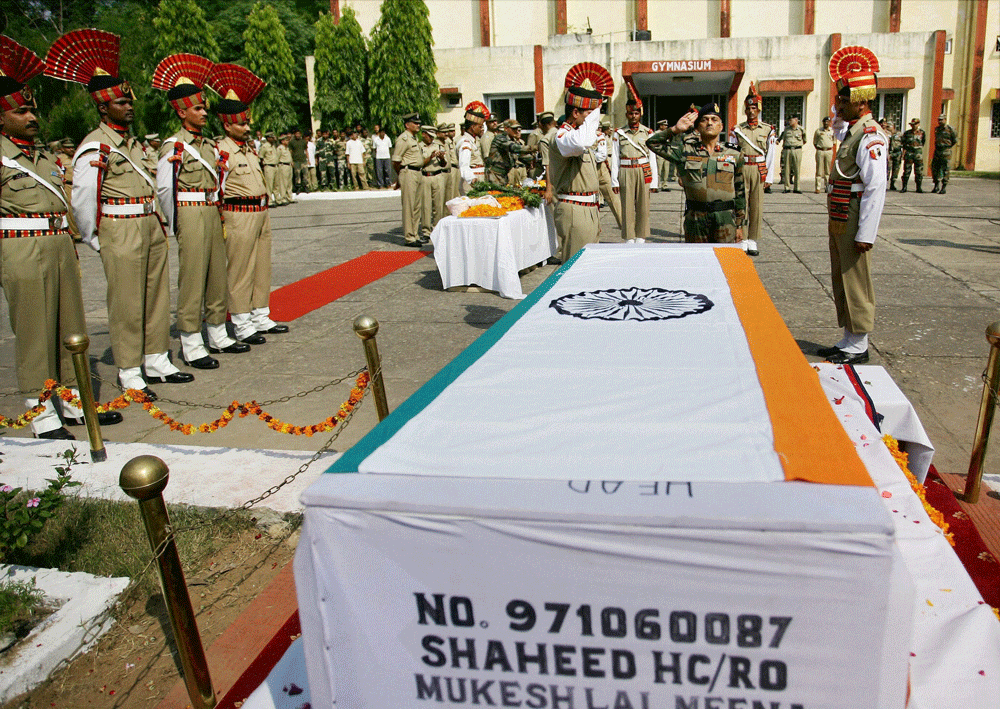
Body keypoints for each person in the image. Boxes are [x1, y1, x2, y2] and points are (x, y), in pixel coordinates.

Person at [47, 28, 192, 400]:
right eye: (120, 103)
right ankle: (130, 370)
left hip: (147, 223)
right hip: (119, 225)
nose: (129, 107)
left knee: (157, 295)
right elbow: (83, 196)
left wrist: (160, 223)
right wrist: (94, 235)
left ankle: (156, 357)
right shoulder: (95, 146)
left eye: (130, 102)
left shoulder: (135, 144)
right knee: (127, 301)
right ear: (102, 107)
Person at [0, 36, 123, 439]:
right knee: (36, 331)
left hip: (58, 245)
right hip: (21, 249)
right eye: (21, 111)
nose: (31, 116)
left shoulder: (41, 155)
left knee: (71, 326)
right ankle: (40, 412)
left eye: (32, 109)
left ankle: (72, 399)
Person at [153, 53, 250, 369]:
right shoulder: (174, 146)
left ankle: (218, 333)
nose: (204, 111)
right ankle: (192, 343)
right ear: (182, 112)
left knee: (216, 276)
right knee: (193, 278)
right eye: (197, 107)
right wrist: (176, 224)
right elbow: (166, 189)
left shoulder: (208, 145)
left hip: (211, 210)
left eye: (204, 106)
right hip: (190, 211)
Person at [208, 62, 289, 346]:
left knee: (261, 267)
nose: (247, 127)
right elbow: (216, 190)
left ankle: (260, 315)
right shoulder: (221, 151)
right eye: (241, 123)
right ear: (227, 124)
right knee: (241, 270)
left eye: (247, 122)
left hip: (261, 212)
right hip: (238, 214)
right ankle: (241, 323)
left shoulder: (249, 149)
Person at [817, 45, 888, 366]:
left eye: (843, 100)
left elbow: (875, 187)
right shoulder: (853, 130)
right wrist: (838, 112)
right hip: (842, 213)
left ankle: (860, 343)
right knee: (840, 275)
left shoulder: (870, 135)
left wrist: (867, 234)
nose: (838, 105)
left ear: (861, 102)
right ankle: (849, 336)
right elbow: (836, 129)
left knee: (855, 277)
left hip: (857, 213)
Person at [648, 102, 745, 244]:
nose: (709, 123)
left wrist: (740, 224)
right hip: (696, 219)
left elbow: (740, 190)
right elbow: (652, 143)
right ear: (698, 127)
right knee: (697, 263)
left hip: (725, 219)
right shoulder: (686, 150)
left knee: (724, 261)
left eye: (714, 120)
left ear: (721, 126)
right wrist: (675, 129)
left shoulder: (734, 153)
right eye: (704, 120)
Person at [548, 85, 604, 262]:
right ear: (575, 112)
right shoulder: (562, 136)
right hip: (575, 208)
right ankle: (551, 290)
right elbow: (582, 142)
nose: (592, 120)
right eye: (588, 114)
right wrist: (596, 112)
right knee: (573, 268)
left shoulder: (578, 135)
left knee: (586, 268)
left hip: (588, 208)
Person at [729, 83, 776, 256]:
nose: (751, 111)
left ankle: (753, 239)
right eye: (748, 108)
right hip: (742, 169)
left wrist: (769, 176)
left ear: (759, 109)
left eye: (754, 107)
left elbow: (771, 154)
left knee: (756, 205)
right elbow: (732, 152)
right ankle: (741, 238)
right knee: (741, 204)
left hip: (758, 169)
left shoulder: (768, 129)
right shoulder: (738, 130)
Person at [611, 98, 658, 243]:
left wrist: (654, 182)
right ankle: (629, 236)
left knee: (643, 205)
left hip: (643, 169)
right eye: (631, 113)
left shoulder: (648, 133)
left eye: (636, 113)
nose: (633, 116)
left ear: (640, 115)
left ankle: (641, 235)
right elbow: (614, 158)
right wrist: (614, 181)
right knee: (626, 205)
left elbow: (652, 158)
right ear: (626, 114)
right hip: (626, 169)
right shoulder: (619, 133)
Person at [391, 112, 424, 246]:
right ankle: (409, 237)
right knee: (409, 206)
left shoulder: (414, 138)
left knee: (416, 206)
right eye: (415, 123)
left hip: (417, 172)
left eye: (418, 123)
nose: (418, 125)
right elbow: (396, 160)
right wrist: (400, 176)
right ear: (407, 125)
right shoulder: (403, 139)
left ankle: (415, 234)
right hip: (408, 172)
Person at [487, 118, 537, 185]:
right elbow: (514, 148)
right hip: (495, 174)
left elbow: (519, 156)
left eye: (518, 129)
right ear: (506, 128)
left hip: (504, 174)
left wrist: (535, 158)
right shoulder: (500, 138)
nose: (516, 131)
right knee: (496, 193)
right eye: (514, 129)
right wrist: (534, 147)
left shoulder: (512, 140)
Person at [420, 124, 447, 239]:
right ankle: (426, 231)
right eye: (429, 136)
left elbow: (444, 164)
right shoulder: (419, 146)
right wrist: (430, 157)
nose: (431, 139)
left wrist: (441, 158)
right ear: (423, 134)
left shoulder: (438, 145)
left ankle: (437, 228)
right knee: (426, 205)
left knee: (439, 204)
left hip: (437, 175)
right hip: (425, 176)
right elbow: (420, 163)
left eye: (432, 136)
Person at [595, 120, 623, 230]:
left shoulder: (599, 136)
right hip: (587, 171)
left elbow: (601, 156)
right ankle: (594, 231)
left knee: (614, 199)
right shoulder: (579, 136)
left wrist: (587, 155)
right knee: (591, 203)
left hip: (600, 169)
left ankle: (625, 229)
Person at [457, 103, 486, 193]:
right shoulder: (465, 142)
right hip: (471, 183)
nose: (482, 129)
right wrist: (472, 180)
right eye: (480, 127)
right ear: (472, 127)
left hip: (478, 180)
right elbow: (464, 165)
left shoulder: (473, 141)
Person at [776, 115, 805, 193]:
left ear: (796, 120)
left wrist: (797, 145)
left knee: (797, 169)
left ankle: (797, 188)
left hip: (797, 150)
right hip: (787, 150)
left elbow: (804, 140)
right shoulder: (786, 129)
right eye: (789, 120)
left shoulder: (801, 129)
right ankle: (787, 187)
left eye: (791, 120)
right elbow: (782, 137)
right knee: (787, 169)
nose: (789, 122)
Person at [931, 113, 958, 195]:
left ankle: (944, 187)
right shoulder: (937, 129)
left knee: (945, 169)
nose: (940, 121)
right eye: (939, 120)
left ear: (945, 120)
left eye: (941, 120)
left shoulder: (950, 129)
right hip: (937, 151)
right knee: (935, 168)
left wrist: (947, 147)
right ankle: (936, 185)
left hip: (946, 151)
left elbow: (954, 140)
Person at [900, 118, 925, 193]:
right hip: (909, 154)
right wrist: (904, 154)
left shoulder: (922, 133)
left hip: (918, 154)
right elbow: (903, 143)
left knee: (919, 171)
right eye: (912, 125)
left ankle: (919, 187)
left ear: (918, 124)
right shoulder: (907, 133)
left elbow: (923, 142)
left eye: (915, 124)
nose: (914, 126)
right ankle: (904, 187)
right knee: (907, 171)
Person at [813, 116, 835, 193]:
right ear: (823, 122)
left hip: (828, 151)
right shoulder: (818, 131)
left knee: (827, 170)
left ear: (830, 123)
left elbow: (834, 142)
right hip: (820, 151)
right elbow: (815, 142)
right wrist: (820, 148)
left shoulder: (832, 131)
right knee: (819, 170)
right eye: (825, 122)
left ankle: (827, 187)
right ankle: (818, 187)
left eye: (828, 122)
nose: (826, 123)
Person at [536, 112, 556, 179]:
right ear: (554, 122)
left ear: (540, 124)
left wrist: (548, 189)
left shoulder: (545, 140)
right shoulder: (564, 134)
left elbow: (548, 167)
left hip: (556, 180)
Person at [275, 134, 293, 205]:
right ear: (282, 141)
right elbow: (277, 158)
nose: (288, 141)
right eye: (286, 140)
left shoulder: (287, 148)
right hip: (283, 165)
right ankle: (283, 198)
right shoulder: (280, 148)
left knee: (289, 183)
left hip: (289, 165)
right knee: (283, 183)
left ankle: (289, 197)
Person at [288, 128, 308, 193]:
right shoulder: (292, 142)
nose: (297, 135)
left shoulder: (303, 141)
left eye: (298, 133)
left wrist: (308, 159)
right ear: (294, 134)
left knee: (305, 174)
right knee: (297, 175)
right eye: (296, 134)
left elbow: (306, 150)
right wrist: (291, 161)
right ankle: (298, 187)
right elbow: (290, 151)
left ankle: (305, 186)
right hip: (296, 160)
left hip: (303, 160)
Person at [259, 131, 278, 200]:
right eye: (272, 137)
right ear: (268, 138)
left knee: (276, 184)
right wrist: (263, 166)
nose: (273, 138)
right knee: (269, 185)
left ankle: (278, 199)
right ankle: (269, 200)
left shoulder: (273, 145)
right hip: (268, 166)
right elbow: (261, 157)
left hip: (275, 166)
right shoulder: (265, 146)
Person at [887, 122, 902, 191]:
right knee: (887, 169)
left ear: (893, 126)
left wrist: (903, 154)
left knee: (896, 169)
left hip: (897, 153)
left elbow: (904, 143)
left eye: (889, 126)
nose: (888, 127)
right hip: (889, 153)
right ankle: (885, 184)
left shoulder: (899, 134)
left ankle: (892, 184)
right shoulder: (886, 133)